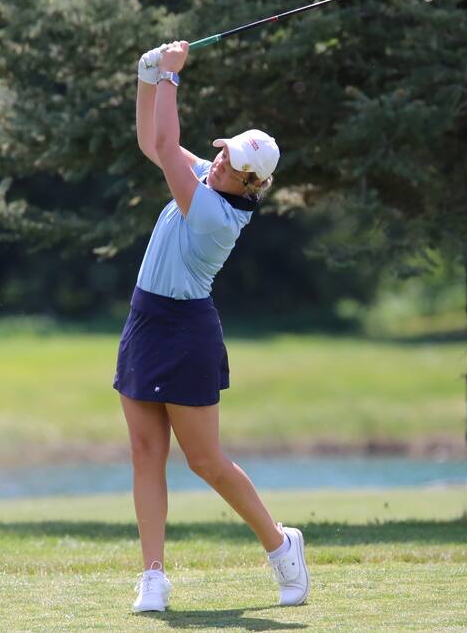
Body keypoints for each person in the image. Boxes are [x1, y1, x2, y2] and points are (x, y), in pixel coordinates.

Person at [114, 40, 310, 613]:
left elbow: (169, 144)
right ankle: (153, 576)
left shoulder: (217, 214)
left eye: (229, 164)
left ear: (250, 184)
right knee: (145, 450)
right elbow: (153, 143)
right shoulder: (212, 177)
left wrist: (171, 79)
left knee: (205, 461)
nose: (217, 160)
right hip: (146, 318)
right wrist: (146, 75)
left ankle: (281, 546)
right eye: (221, 153)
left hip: (187, 331)